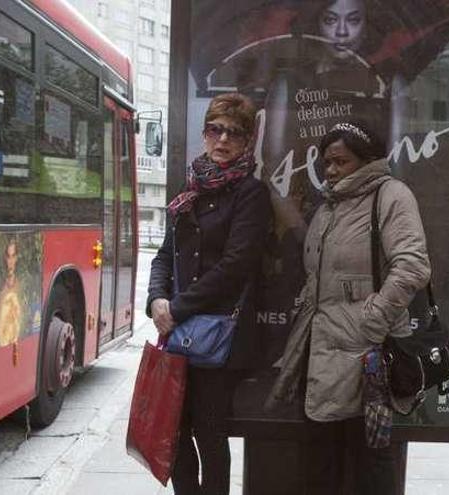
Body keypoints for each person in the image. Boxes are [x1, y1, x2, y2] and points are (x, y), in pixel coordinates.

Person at [265, 121, 431, 494]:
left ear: (367, 160)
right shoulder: (329, 206)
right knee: (319, 461)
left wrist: (372, 320)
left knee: (369, 462)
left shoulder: (391, 196)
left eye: (341, 161)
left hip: (368, 358)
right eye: (327, 162)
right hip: (323, 351)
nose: (332, 170)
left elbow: (412, 265)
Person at [146, 92, 271, 494]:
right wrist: (155, 301)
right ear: (204, 134)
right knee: (174, 431)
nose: (223, 140)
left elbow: (236, 265)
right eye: (216, 130)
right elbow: (165, 254)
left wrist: (177, 308)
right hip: (180, 333)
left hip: (221, 337)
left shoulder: (250, 193)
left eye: (234, 133)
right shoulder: (191, 188)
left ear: (247, 141)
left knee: (210, 434)